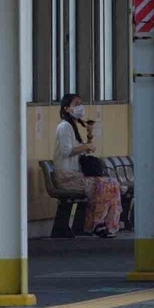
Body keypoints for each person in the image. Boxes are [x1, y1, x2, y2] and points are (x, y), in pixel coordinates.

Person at [54, 93, 122, 238]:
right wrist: (86, 146)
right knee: (106, 186)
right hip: (67, 178)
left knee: (111, 184)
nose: (80, 107)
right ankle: (98, 224)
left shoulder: (72, 126)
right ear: (66, 109)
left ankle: (104, 224)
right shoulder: (65, 126)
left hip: (76, 176)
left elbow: (82, 148)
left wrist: (89, 135)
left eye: (80, 103)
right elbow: (67, 151)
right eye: (76, 104)